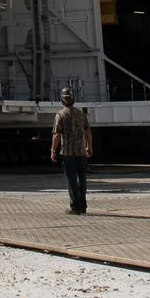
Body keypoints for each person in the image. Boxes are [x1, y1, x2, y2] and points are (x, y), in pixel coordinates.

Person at [51, 86, 92, 214]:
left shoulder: (60, 115)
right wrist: (89, 146)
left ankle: (75, 207)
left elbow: (56, 134)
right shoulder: (81, 114)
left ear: (62, 100)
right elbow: (87, 131)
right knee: (82, 179)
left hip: (68, 153)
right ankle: (83, 206)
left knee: (72, 180)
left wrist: (53, 150)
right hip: (81, 152)